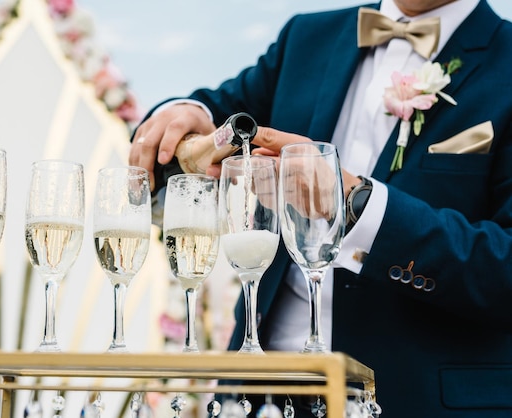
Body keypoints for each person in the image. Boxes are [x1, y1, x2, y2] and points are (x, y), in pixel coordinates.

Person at [129, 0, 512, 417]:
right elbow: (213, 121)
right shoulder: (306, 37)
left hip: (415, 399)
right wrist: (184, 113)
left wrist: (358, 205)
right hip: (260, 396)